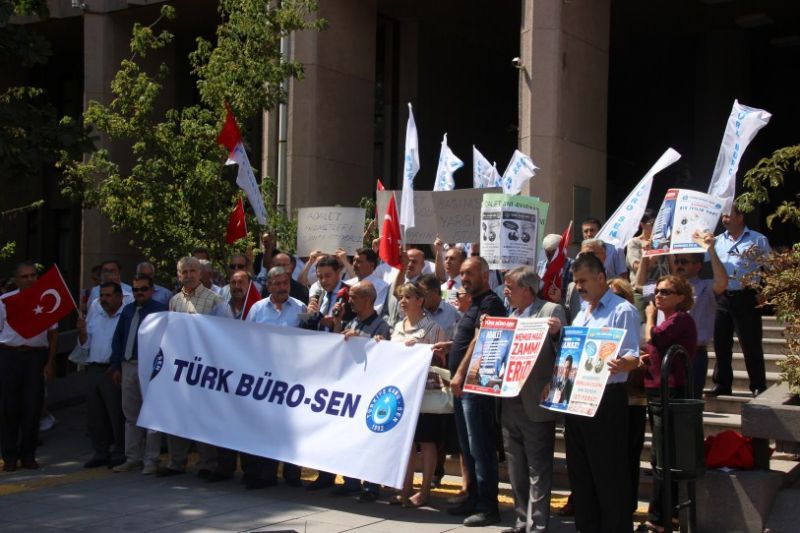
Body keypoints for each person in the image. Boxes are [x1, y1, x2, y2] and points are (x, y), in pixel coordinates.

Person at [549, 252, 641, 532]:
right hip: (577, 398)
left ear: (601, 278)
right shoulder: (582, 313)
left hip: (607, 399)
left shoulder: (622, 310)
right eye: (576, 282)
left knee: (608, 472)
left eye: (583, 281)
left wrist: (621, 362)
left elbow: (633, 356)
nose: (578, 287)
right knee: (581, 471)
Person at [440, 256, 507, 527]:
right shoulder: (475, 303)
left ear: (484, 274)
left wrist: (459, 373)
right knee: (467, 448)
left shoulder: (491, 302)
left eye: (469, 273)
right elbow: (468, 337)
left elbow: (481, 339)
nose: (464, 278)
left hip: (475, 387)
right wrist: (450, 346)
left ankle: (488, 506)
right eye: (462, 274)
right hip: (463, 388)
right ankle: (473, 496)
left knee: (481, 448)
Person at [500, 267, 566, 533]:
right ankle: (520, 521)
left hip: (536, 401)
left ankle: (537, 525)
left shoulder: (551, 312)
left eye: (510, 286)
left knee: (538, 467)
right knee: (515, 466)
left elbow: (566, 352)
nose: (505, 291)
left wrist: (556, 334)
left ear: (526, 290)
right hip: (508, 400)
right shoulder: (509, 315)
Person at [229, 266, 305, 489]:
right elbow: (246, 340)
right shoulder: (257, 309)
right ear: (269, 286)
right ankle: (261, 474)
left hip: (291, 380)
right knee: (260, 427)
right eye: (278, 284)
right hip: (261, 378)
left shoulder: (299, 308)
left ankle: (292, 476)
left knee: (291, 429)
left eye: (286, 283)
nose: (282, 288)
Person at [159, 257, 230, 478]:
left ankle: (207, 463)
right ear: (179, 275)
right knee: (176, 415)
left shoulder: (216, 301)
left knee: (203, 418)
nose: (188, 275)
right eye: (184, 271)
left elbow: (227, 336)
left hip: (204, 369)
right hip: (179, 367)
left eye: (192, 271)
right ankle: (176, 462)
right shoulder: (174, 301)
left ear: (201, 274)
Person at [641, 275, 697, 532]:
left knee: (662, 455)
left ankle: (658, 518)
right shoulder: (670, 319)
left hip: (670, 392)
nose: (659, 295)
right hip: (655, 390)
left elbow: (656, 337)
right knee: (660, 454)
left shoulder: (680, 319)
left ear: (680, 297)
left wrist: (650, 317)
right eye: (657, 291)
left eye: (666, 292)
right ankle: (667, 514)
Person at [330, 280, 392, 501]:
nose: (349, 301)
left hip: (370, 390)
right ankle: (350, 480)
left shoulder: (381, 325)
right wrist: (338, 325)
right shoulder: (353, 320)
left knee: (370, 440)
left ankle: (371, 485)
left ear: (367, 299)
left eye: (354, 297)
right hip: (352, 388)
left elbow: (382, 351)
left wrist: (363, 340)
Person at [386, 282, 447, 507]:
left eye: (408, 297)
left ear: (420, 300)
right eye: (401, 297)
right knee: (408, 442)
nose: (402, 301)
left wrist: (421, 352)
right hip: (402, 392)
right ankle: (405, 487)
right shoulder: (398, 325)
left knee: (427, 441)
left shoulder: (433, 328)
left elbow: (441, 359)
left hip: (426, 393)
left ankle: (424, 491)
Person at [0, 261, 58, 471]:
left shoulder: (46, 299)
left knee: (32, 408)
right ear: (16, 279)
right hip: (10, 356)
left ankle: (29, 456)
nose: (30, 279)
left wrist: (50, 362)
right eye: (24, 276)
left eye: (33, 275)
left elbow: (53, 334)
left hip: (36, 357)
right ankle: (9, 457)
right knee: (9, 408)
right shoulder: (5, 301)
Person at [109, 274, 168, 474]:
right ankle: (132, 457)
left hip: (150, 368)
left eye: (143, 289)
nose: (139, 293)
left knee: (151, 414)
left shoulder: (159, 311)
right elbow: (118, 339)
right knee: (130, 414)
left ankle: (151, 459)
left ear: (151, 290)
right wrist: (116, 366)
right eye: (135, 289)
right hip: (128, 366)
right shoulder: (127, 310)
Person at [711, 205, 771, 396]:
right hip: (722, 297)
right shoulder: (717, 241)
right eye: (723, 216)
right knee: (721, 343)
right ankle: (722, 384)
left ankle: (758, 385)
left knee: (750, 342)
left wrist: (766, 293)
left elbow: (771, 269)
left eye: (728, 216)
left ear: (740, 217)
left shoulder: (758, 239)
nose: (725, 220)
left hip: (746, 296)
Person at [669, 233, 728, 399]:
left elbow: (722, 283)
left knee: (690, 403)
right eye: (677, 261)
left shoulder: (705, 286)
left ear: (698, 266)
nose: (679, 265)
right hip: (668, 352)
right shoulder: (664, 289)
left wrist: (711, 250)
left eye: (684, 262)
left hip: (693, 354)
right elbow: (638, 286)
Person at [78, 281, 126, 469]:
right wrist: (82, 333)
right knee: (95, 414)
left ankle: (119, 451)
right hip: (93, 368)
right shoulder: (95, 312)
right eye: (102, 296)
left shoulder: (126, 315)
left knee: (116, 414)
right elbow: (85, 343)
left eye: (108, 295)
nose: (104, 299)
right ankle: (100, 452)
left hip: (112, 370)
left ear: (119, 296)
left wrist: (118, 367)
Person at [344, 248, 389, 314]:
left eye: (359, 261)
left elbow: (377, 310)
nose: (355, 264)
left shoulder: (381, 286)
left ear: (371, 265)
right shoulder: (347, 283)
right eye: (354, 260)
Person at [537, 233, 573, 304]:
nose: (550, 256)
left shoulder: (573, 266)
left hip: (564, 310)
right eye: (547, 252)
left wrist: (559, 299)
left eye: (553, 252)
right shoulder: (540, 266)